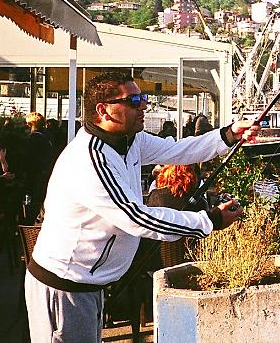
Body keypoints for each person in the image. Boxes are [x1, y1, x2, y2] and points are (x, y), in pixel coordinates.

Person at [25, 72, 259, 343]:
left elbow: (179, 150)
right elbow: (136, 217)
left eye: (143, 98)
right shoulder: (90, 159)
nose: (144, 106)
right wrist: (209, 220)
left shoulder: (130, 141)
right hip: (65, 288)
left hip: (89, 285)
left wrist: (228, 135)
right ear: (104, 110)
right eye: (134, 100)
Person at [23, 112, 55, 224]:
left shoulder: (34, 138)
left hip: (36, 175)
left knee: (34, 202)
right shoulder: (48, 136)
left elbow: (29, 159)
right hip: (46, 173)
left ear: (32, 124)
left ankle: (29, 224)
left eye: (28, 125)